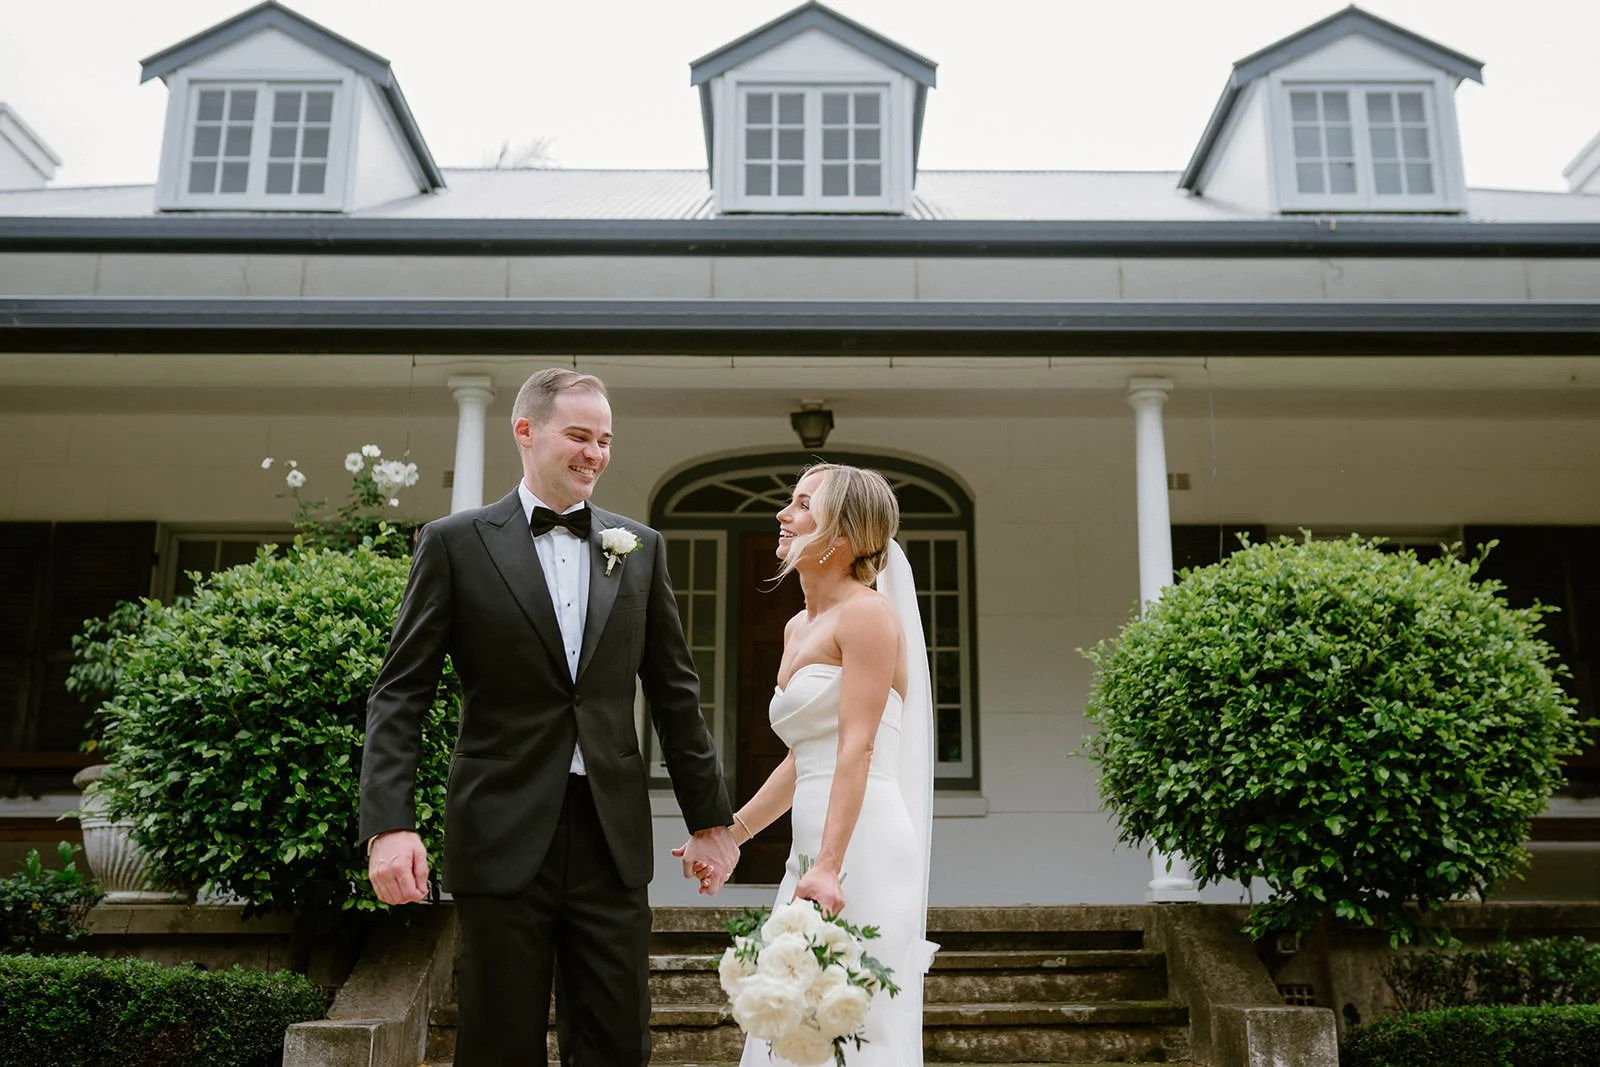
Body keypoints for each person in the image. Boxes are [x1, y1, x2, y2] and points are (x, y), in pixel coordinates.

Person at [360, 367, 739, 1066]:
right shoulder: (453, 543)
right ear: (526, 431)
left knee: (618, 1043)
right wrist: (390, 824)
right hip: (500, 829)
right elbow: (400, 693)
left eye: (605, 439)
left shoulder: (640, 547)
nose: (595, 452)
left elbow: (675, 693)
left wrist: (711, 822)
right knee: (498, 1043)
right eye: (579, 435)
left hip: (610, 836)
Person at [696, 463, 937, 1067]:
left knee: (853, 1023)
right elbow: (805, 759)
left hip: (864, 843)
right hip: (812, 849)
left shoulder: (869, 616)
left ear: (844, 537)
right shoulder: (797, 626)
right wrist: (734, 832)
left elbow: (858, 746)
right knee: (791, 1018)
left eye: (803, 505)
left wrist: (830, 866)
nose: (783, 514)